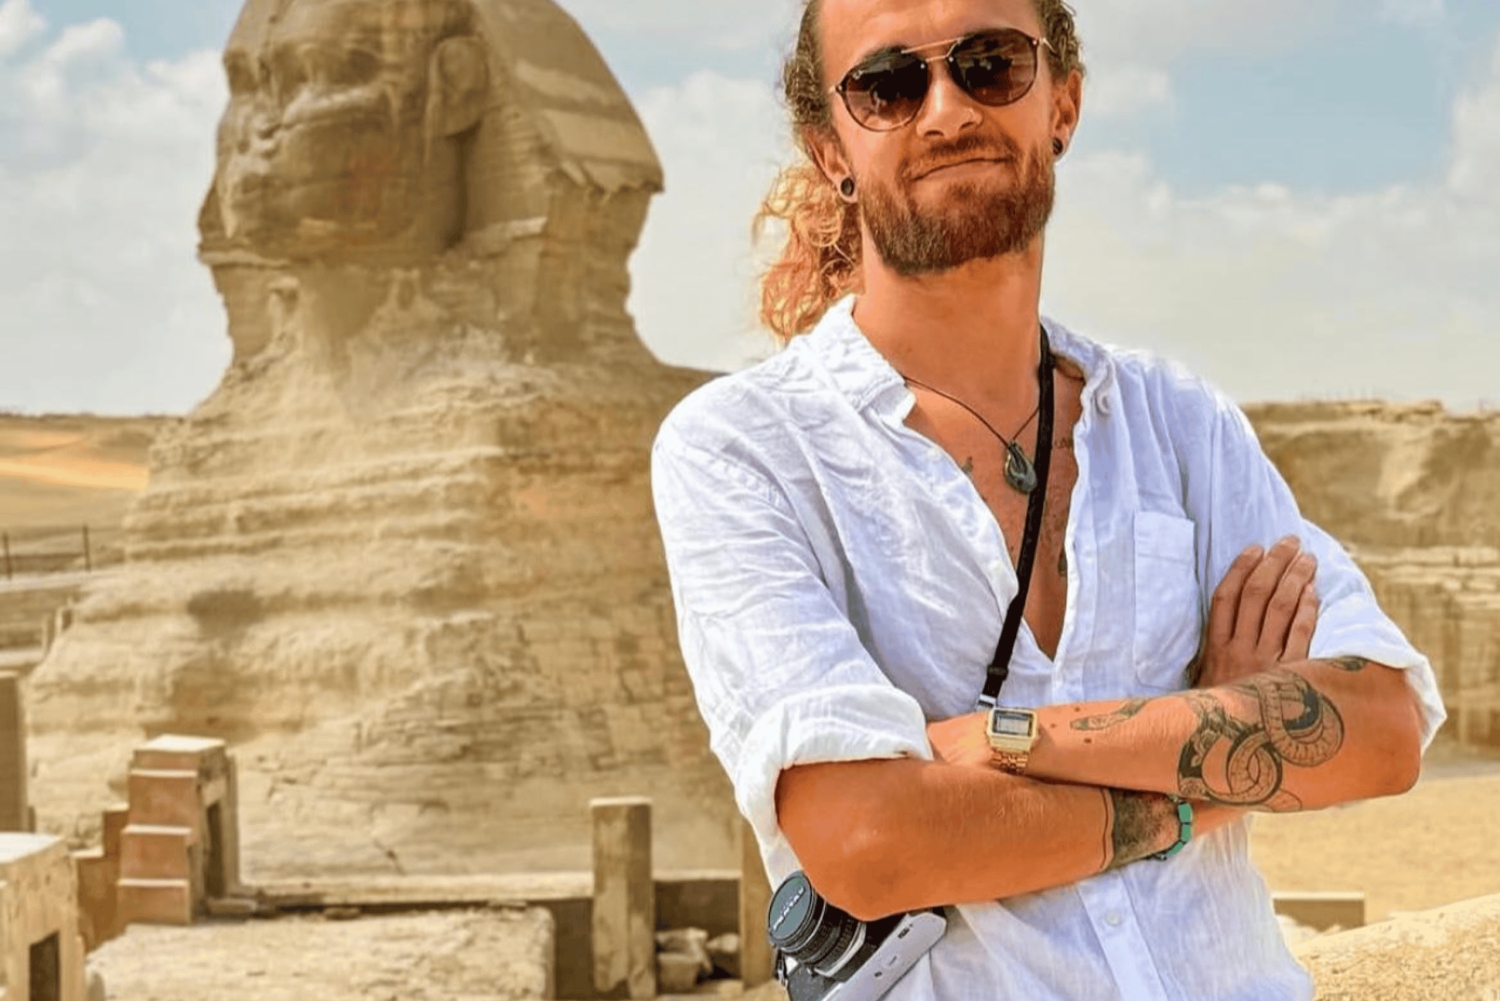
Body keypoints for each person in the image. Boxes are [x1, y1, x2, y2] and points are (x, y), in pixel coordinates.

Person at [649, 0, 1447, 997]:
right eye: (888, 85)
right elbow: (868, 839)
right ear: (830, 149)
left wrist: (997, 745)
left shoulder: (1177, 422)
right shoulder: (746, 451)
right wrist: (1208, 754)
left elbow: (1379, 726)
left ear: (1062, 104)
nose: (946, 110)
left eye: (990, 63)